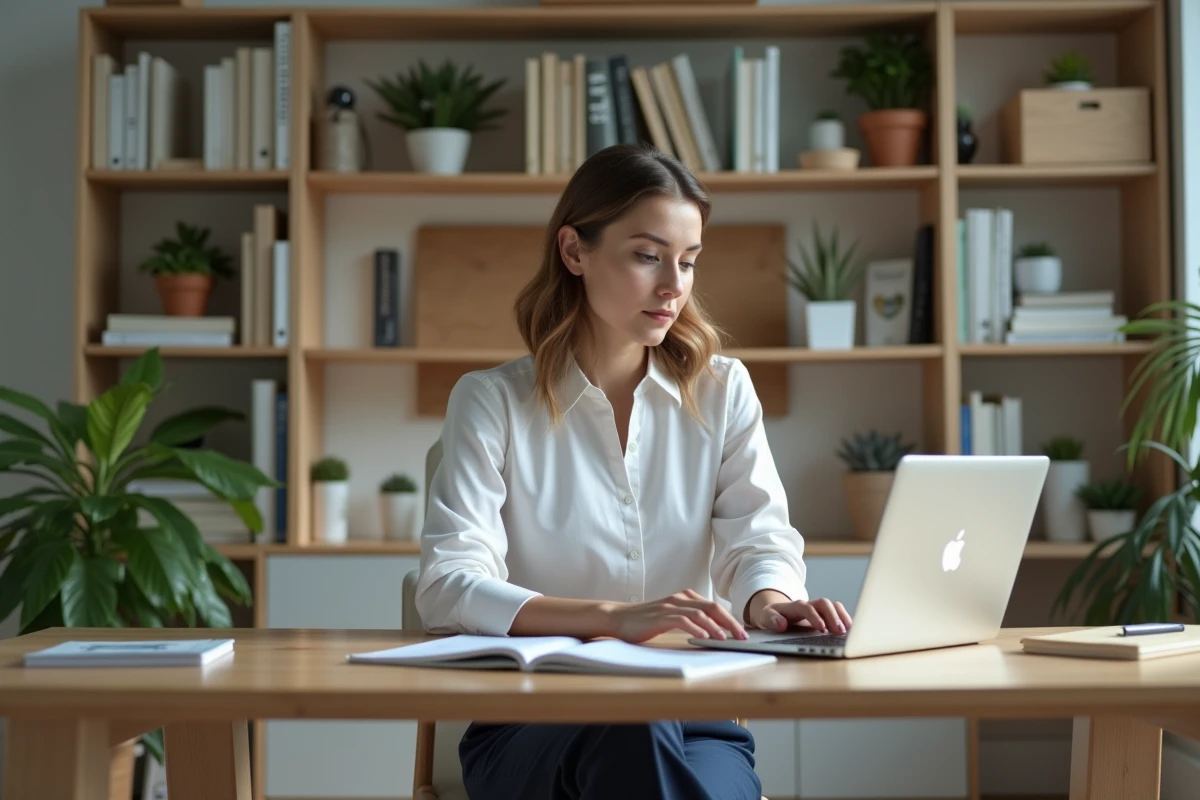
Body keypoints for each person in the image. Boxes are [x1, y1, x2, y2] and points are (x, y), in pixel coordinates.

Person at [414, 142, 853, 800]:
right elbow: (448, 584)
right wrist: (609, 618)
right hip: (531, 725)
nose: (673, 285)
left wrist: (773, 604)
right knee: (635, 727)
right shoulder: (492, 402)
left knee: (661, 748)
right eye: (648, 256)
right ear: (574, 251)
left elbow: (758, 536)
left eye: (688, 261)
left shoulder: (723, 391)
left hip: (698, 721)